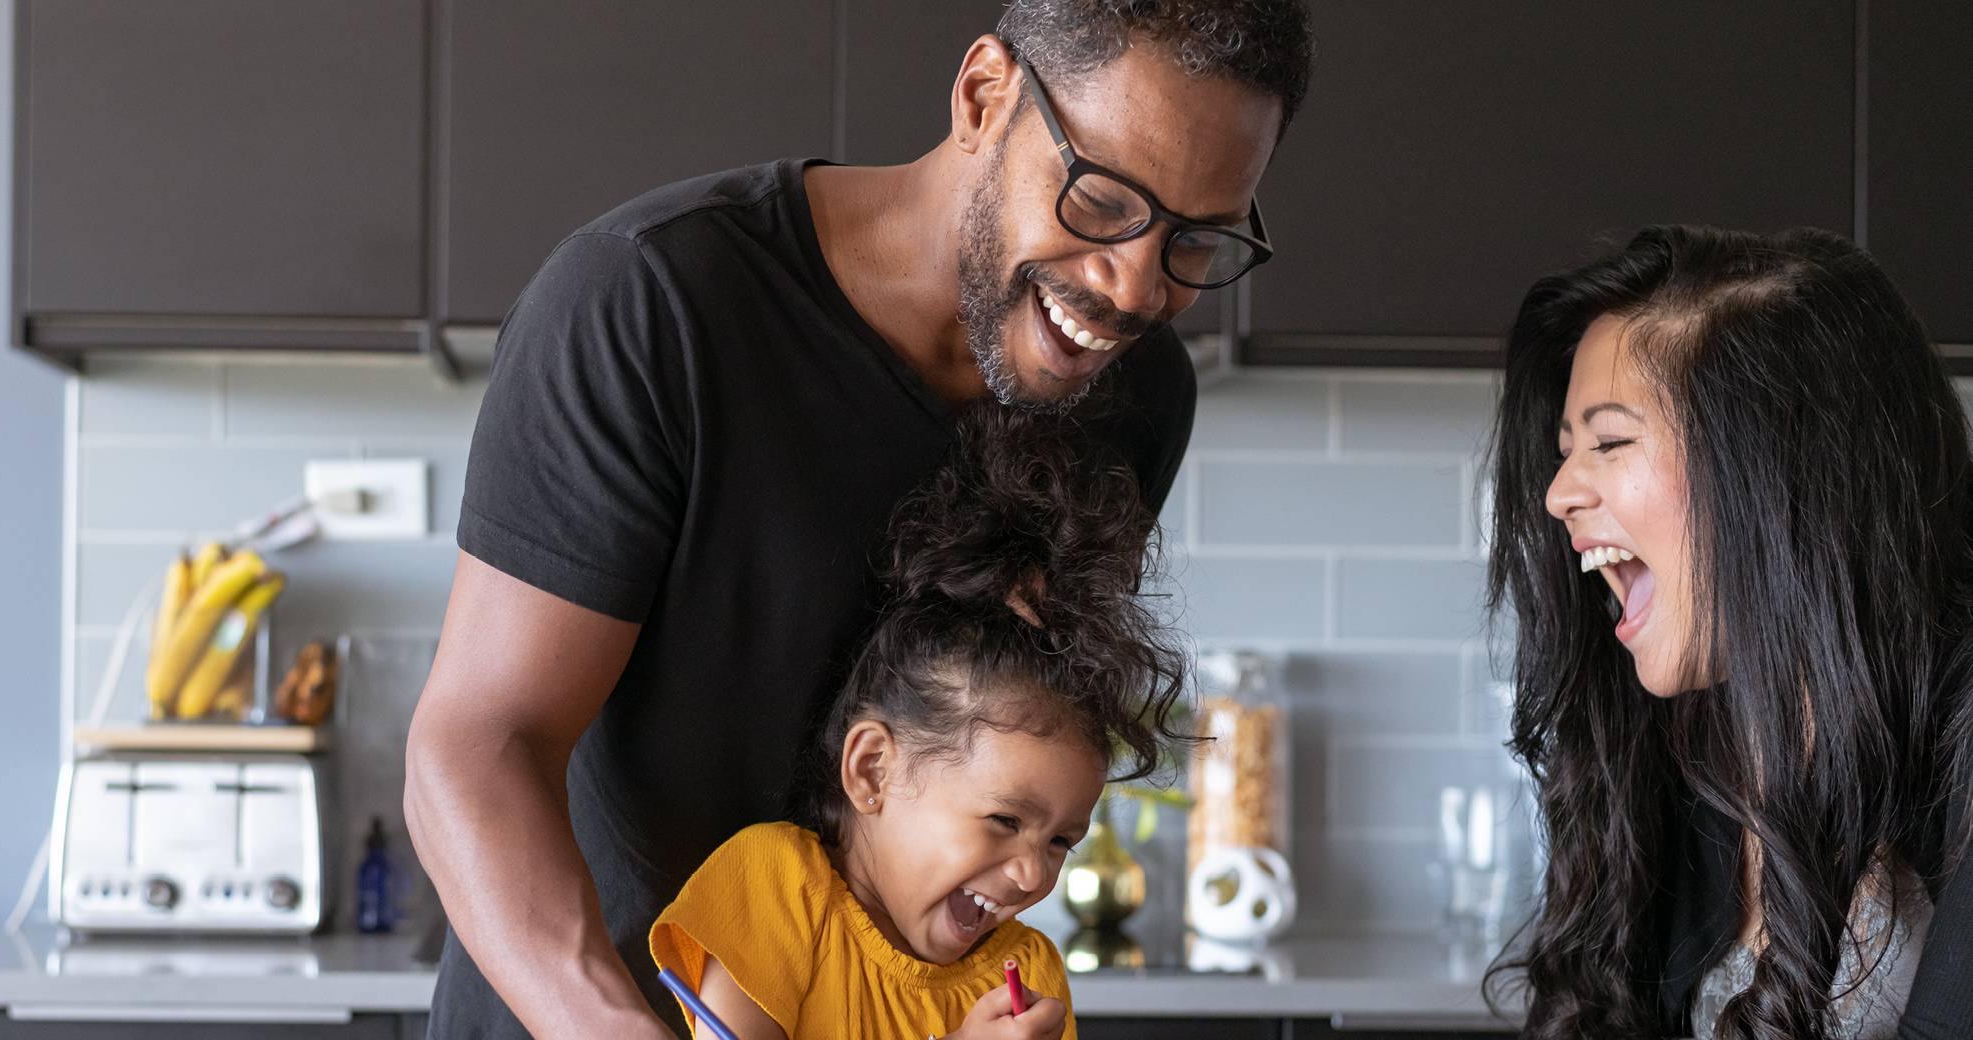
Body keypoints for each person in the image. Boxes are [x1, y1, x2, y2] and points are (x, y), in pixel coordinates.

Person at [403, 2, 1315, 1035]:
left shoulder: (1136, 397)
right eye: (1103, 198)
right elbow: (478, 742)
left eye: (1197, 237)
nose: (1134, 286)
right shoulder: (651, 301)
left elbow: (1003, 749)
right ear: (984, 96)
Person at [1486, 224, 1973, 1039]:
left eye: (1610, 441)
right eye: (1568, 450)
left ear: (1780, 465)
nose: (1559, 492)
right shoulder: (1680, 744)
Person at [649, 403, 1185, 1040]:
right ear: (873, 770)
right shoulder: (777, 890)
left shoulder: (1028, 975)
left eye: (1059, 842)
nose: (1034, 874)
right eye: (1005, 820)